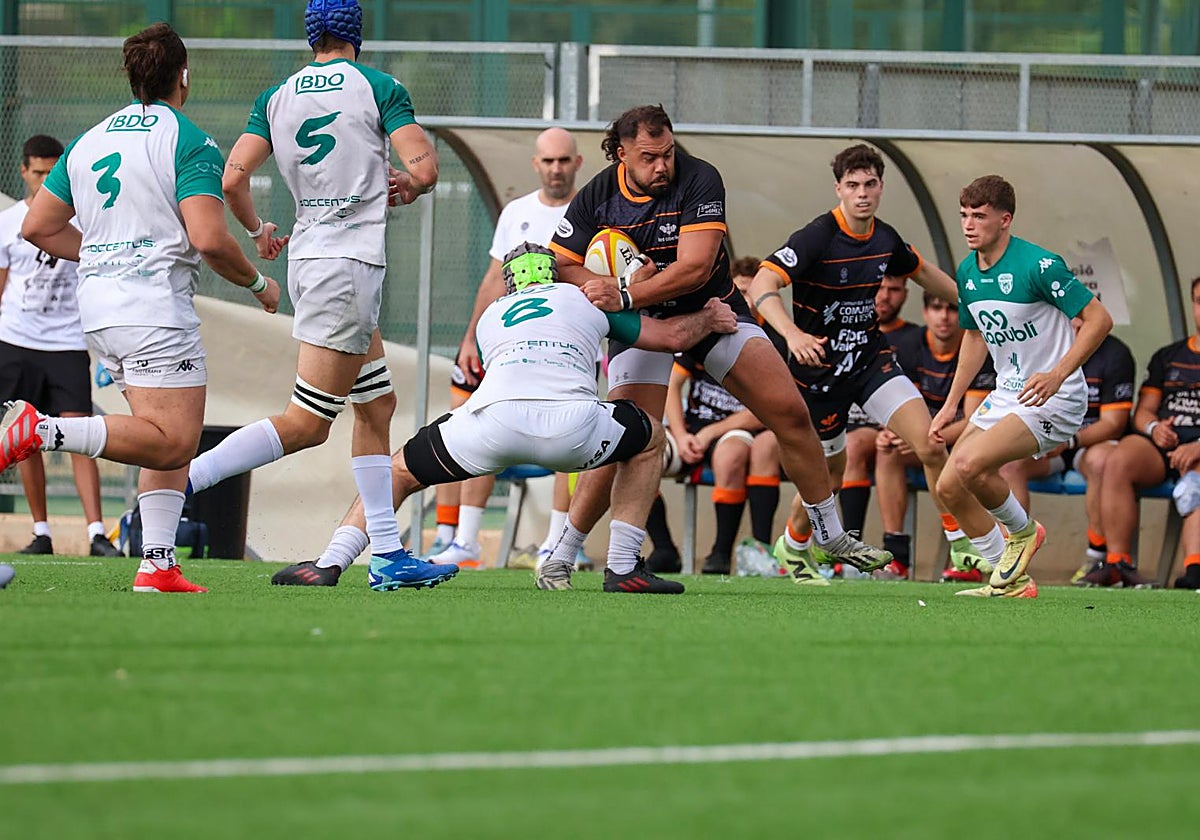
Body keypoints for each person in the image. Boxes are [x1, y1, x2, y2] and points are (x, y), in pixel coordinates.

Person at [539, 105, 892, 591]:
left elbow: (697, 268)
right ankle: (561, 555)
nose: (663, 165)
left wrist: (624, 291)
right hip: (644, 325)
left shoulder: (700, 178)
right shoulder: (597, 193)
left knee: (791, 415)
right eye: (649, 157)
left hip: (713, 313)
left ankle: (830, 537)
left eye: (667, 153)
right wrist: (611, 283)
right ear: (621, 154)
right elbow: (560, 265)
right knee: (626, 437)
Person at [275, 243, 739, 592]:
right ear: (557, 274)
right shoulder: (586, 299)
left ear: (511, 283)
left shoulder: (491, 317)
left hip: (489, 427)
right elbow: (668, 335)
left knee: (396, 470)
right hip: (572, 428)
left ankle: (330, 562)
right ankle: (621, 566)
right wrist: (711, 318)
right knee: (650, 440)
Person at [1, 23, 280, 592]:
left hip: (99, 307)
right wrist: (258, 284)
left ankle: (157, 562)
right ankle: (42, 430)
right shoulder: (190, 139)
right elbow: (208, 237)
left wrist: (103, 253)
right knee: (176, 438)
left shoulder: (89, 139)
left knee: (157, 429)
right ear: (183, 77)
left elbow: (37, 226)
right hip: (152, 308)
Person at [183, 0, 450, 591]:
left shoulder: (276, 96)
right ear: (358, 35)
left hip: (309, 258)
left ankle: (386, 555)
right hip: (348, 267)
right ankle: (180, 480)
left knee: (377, 407)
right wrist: (406, 184)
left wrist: (258, 232)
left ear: (311, 38)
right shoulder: (378, 86)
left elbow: (232, 178)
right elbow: (424, 170)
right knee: (307, 422)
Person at [748, 143, 996, 587]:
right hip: (819, 372)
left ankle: (959, 542)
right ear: (838, 189)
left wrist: (979, 298)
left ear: (881, 187)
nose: (862, 193)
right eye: (853, 185)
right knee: (829, 476)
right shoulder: (817, 236)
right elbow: (763, 283)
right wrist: (792, 334)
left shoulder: (885, 237)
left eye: (870, 184)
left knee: (932, 443)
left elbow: (923, 272)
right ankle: (794, 545)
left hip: (870, 362)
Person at [930, 175, 1113, 597]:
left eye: (979, 216)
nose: (968, 225)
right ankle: (1010, 580)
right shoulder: (967, 271)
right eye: (963, 215)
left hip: (1055, 397)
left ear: (1005, 219)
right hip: (1008, 393)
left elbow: (1099, 320)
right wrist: (950, 405)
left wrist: (1057, 373)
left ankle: (1024, 532)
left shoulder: (1038, 265)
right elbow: (975, 337)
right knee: (948, 487)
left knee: (968, 465)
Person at [425, 127, 591, 571]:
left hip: (567, 346)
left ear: (577, 163)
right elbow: (495, 276)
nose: (556, 169)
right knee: (462, 413)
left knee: (576, 427)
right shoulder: (516, 212)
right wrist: (469, 337)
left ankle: (560, 543)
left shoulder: (593, 211)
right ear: (536, 165)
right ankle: (458, 538)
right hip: (512, 344)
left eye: (563, 160)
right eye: (548, 161)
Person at [0, 134, 119, 558]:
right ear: (24, 172)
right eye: (39, 172)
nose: (46, 179)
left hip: (67, 343)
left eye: (54, 172)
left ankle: (96, 534)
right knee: (22, 435)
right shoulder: (9, 221)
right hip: (17, 341)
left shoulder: (83, 223)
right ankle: (41, 532)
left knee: (81, 432)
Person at [996, 323, 1135, 583]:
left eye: (1082, 315)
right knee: (1008, 463)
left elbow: (1114, 423)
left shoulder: (1115, 352)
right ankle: (1010, 558)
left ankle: (1097, 557)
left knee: (1100, 461)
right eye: (1067, 315)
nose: (1076, 323)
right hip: (1049, 442)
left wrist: (1070, 441)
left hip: (1089, 443)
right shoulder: (1039, 344)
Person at [873, 291, 994, 581]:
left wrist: (925, 437)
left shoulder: (978, 346)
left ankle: (972, 550)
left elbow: (973, 420)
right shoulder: (909, 345)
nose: (944, 317)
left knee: (970, 457)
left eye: (952, 309)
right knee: (887, 450)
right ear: (925, 312)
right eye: (936, 308)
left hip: (965, 437)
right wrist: (891, 433)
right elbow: (900, 403)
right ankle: (896, 555)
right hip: (927, 437)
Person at [1088, 280, 1200, 589]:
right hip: (1164, 446)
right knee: (1119, 458)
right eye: (1199, 301)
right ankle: (1117, 565)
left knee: (1197, 469)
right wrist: (1154, 428)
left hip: (1196, 453)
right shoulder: (1169, 356)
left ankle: (1194, 570)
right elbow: (1144, 411)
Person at [837, 274, 922, 555]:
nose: (885, 296)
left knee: (868, 444)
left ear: (905, 295)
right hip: (843, 428)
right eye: (879, 289)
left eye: (894, 290)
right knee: (847, 445)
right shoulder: (846, 333)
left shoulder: (915, 339)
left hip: (891, 432)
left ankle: (888, 551)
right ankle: (842, 547)